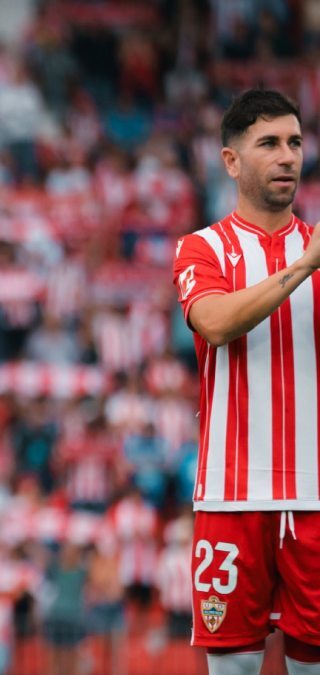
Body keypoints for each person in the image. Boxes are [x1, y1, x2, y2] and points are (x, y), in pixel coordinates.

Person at [173, 88, 320, 675]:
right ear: (231, 161)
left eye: (294, 143)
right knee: (232, 667)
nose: (287, 156)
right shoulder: (201, 249)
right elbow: (214, 322)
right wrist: (304, 265)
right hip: (233, 494)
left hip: (316, 495)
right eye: (269, 144)